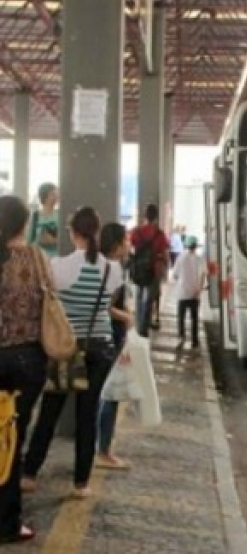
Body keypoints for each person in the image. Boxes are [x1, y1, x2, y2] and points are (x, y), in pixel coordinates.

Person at [22, 207, 123, 499]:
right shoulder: (112, 269)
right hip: (102, 346)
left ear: (72, 232)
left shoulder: (58, 266)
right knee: (87, 414)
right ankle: (82, 483)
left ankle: (29, 473)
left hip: (68, 347)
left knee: (50, 410)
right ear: (96, 231)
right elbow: (106, 306)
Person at [0, 196, 49, 543]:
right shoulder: (35, 257)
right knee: (12, 442)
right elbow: (51, 297)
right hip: (27, 360)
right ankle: (8, 522)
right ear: (24, 223)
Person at [95, 223, 134, 471]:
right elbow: (106, 307)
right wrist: (126, 317)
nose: (129, 245)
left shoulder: (100, 265)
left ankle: (101, 447)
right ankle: (104, 451)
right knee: (111, 393)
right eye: (126, 240)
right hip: (111, 335)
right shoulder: (114, 269)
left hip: (105, 335)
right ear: (117, 244)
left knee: (104, 393)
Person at [129, 204, 169, 338]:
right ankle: (143, 328)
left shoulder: (136, 231)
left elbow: (131, 247)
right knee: (149, 299)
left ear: (145, 216)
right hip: (153, 269)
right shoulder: (160, 234)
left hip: (139, 268)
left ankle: (138, 325)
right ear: (156, 217)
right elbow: (163, 252)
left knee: (139, 296)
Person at [172, 236, 206, 350]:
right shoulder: (199, 258)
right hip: (194, 292)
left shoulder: (180, 258)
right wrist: (199, 289)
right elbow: (203, 274)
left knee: (181, 317)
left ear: (186, 245)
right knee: (194, 317)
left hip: (182, 292)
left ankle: (181, 338)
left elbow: (175, 275)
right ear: (196, 246)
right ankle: (194, 341)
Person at [27, 182, 59, 258]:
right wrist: (40, 241)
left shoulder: (60, 215)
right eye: (53, 194)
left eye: (56, 194)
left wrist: (54, 241)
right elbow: (30, 240)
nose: (56, 196)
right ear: (45, 196)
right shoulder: (35, 216)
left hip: (56, 258)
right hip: (39, 258)